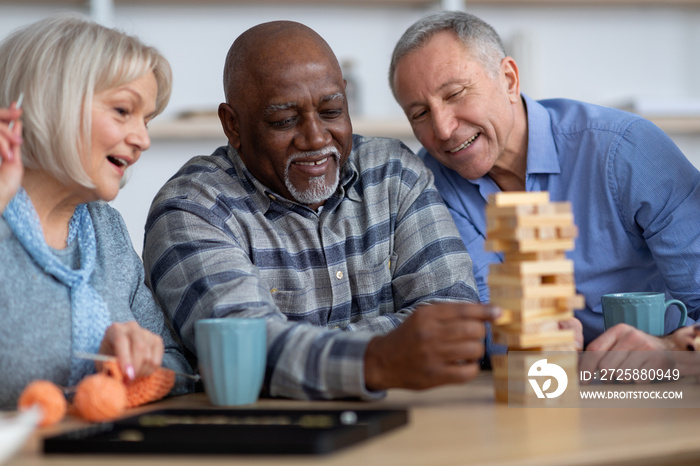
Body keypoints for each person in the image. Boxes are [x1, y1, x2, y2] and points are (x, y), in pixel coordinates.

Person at [142, 20, 500, 401]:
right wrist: (378, 358)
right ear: (233, 125)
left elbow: (453, 323)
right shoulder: (191, 209)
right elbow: (243, 354)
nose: (315, 138)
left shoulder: (394, 173)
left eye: (331, 111)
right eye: (283, 121)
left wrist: (297, 350)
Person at [389, 11, 700, 351]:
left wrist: (670, 350)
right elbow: (480, 323)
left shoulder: (625, 149)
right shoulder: (428, 185)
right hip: (535, 385)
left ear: (508, 79)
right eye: (420, 113)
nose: (443, 129)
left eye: (455, 94)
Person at [0, 14, 193, 409]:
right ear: (50, 104)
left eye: (147, 120)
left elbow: (176, 367)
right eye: (123, 110)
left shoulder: (105, 229)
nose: (143, 140)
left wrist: (130, 368)